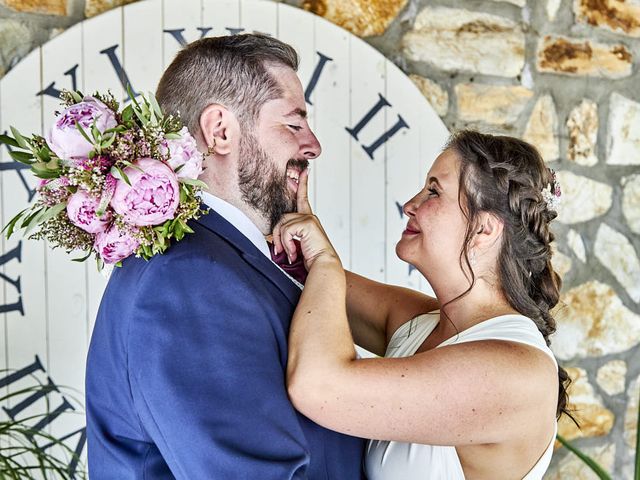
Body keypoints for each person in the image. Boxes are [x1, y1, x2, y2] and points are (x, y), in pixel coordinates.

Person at [85, 34, 365, 479]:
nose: (313, 146)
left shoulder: (223, 260)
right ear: (220, 130)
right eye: (293, 124)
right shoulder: (190, 278)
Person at [274, 130, 570, 479]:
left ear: (483, 230)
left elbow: (317, 386)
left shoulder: (518, 375)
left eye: (433, 191)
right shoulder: (423, 321)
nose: (410, 204)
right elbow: (301, 274)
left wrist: (324, 259)